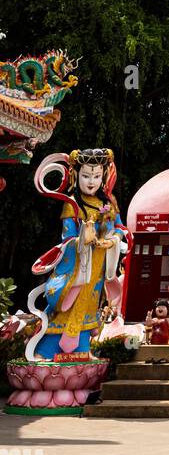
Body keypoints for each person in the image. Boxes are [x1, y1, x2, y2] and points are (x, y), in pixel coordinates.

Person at [29, 148, 127, 359]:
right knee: (68, 304)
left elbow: (120, 227)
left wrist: (114, 238)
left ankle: (82, 349)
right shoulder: (72, 204)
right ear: (75, 175)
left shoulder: (109, 203)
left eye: (97, 176)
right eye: (85, 176)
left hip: (99, 265)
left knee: (90, 306)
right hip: (78, 266)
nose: (91, 181)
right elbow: (67, 238)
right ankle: (47, 350)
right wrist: (83, 239)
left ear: (104, 177)